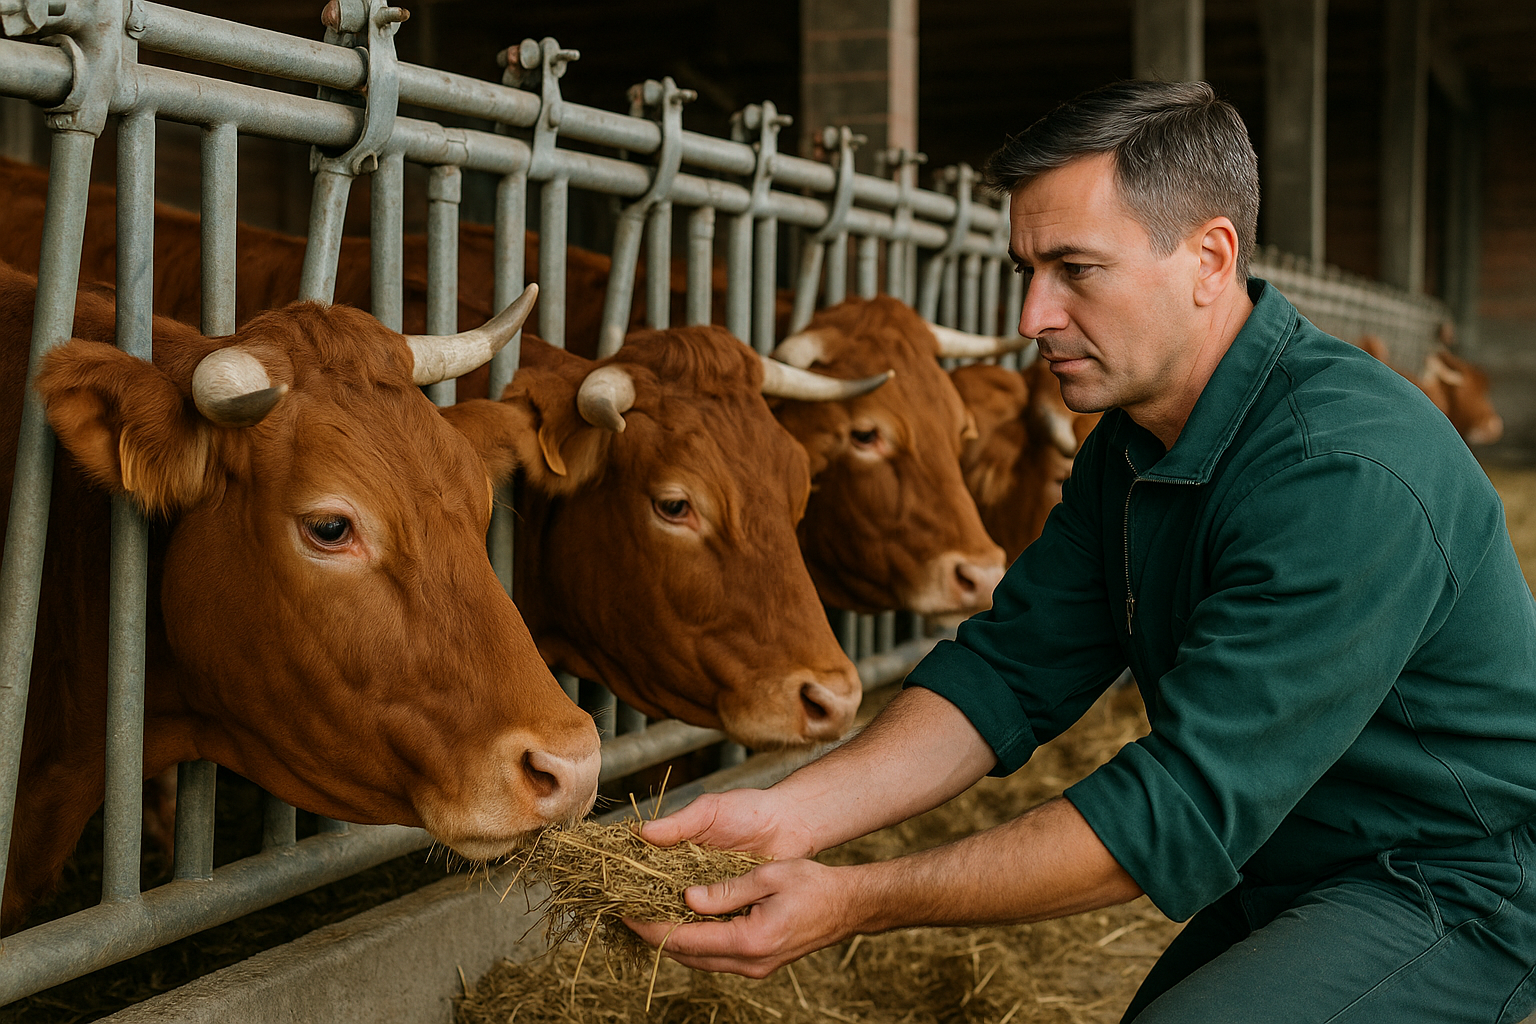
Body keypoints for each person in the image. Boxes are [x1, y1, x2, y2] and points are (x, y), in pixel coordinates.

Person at [627, 80, 1536, 1023]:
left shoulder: (1341, 473)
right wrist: (792, 816)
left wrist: (856, 899)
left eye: (1075, 269)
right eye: (1027, 267)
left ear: (1210, 259)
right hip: (1300, 856)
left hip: (1460, 881)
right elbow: (1011, 671)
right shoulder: (1136, 444)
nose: (1032, 317)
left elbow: (1175, 809)